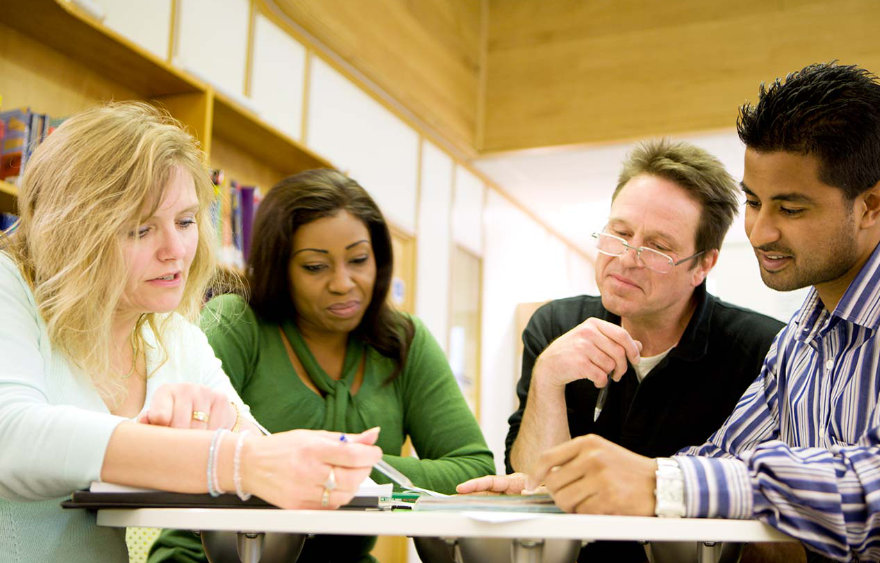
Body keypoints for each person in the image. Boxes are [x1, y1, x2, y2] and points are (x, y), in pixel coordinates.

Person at [507, 63, 880, 562]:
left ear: (871, 202)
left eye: (790, 209)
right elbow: (718, 459)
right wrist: (557, 495)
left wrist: (664, 483)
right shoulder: (802, 337)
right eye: (753, 201)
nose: (760, 233)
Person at [0, 102, 383, 563]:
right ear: (73, 230)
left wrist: (226, 432)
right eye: (140, 229)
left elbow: (254, 448)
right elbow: (12, 438)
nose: (176, 250)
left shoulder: (172, 334)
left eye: (185, 221)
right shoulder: (9, 286)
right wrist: (231, 461)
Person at [151, 168, 495, 562]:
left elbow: (473, 474)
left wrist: (337, 467)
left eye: (359, 260)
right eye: (316, 267)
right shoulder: (236, 322)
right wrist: (366, 472)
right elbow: (183, 454)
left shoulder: (404, 341)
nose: (343, 283)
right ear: (279, 267)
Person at [465, 140, 785, 562]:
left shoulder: (763, 351)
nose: (628, 259)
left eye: (658, 247)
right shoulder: (556, 327)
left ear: (703, 265)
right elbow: (533, 483)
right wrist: (547, 378)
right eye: (619, 233)